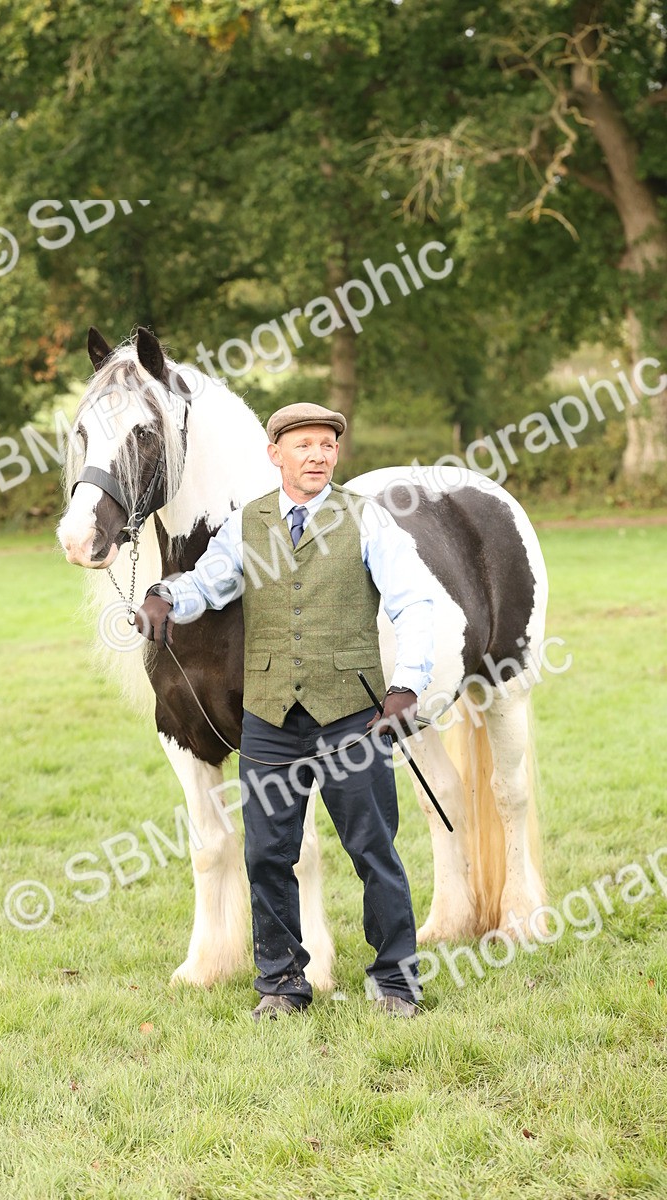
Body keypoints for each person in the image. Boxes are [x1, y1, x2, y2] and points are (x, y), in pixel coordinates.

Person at [136, 402, 435, 1022]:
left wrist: (407, 686)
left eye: (327, 445)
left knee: (372, 848)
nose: (319, 455)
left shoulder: (366, 519)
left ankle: (396, 982)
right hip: (270, 717)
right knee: (266, 853)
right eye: (304, 445)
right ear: (276, 455)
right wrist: (165, 595)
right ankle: (281, 982)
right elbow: (211, 583)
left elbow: (415, 603)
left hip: (352, 712)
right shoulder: (248, 524)